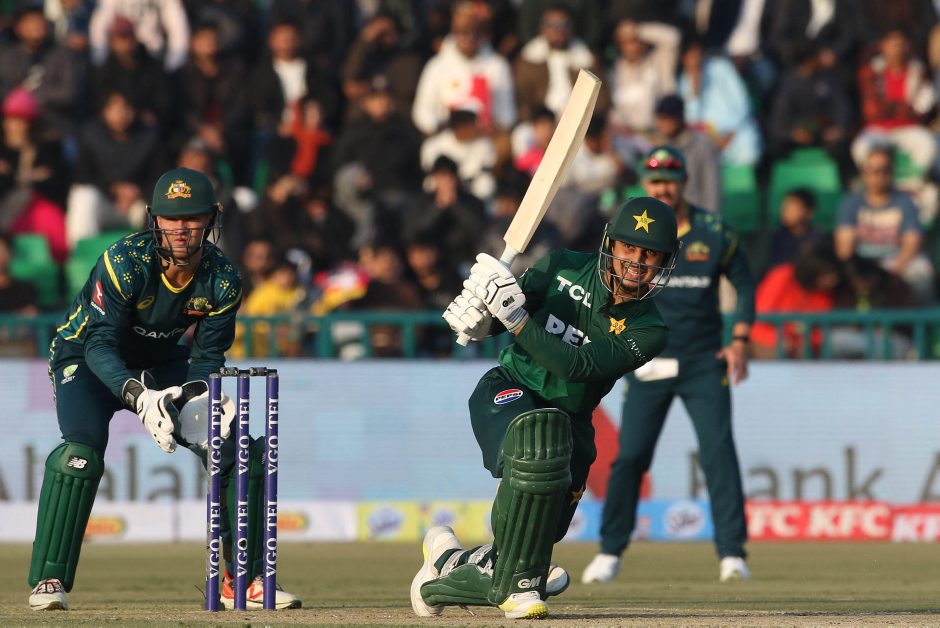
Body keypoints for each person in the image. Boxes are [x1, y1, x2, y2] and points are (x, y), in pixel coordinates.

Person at [27, 167, 301, 611]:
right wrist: (139, 396)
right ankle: (48, 580)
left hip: (161, 361)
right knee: (80, 455)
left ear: (211, 219)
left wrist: (199, 395)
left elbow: (207, 358)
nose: (181, 228)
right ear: (154, 219)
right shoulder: (124, 261)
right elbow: (99, 343)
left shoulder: (223, 279)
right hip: (86, 358)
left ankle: (243, 580)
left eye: (192, 218)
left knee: (234, 447)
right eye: (172, 218)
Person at [411, 195, 680, 619]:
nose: (636, 261)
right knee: (535, 446)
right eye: (629, 247)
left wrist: (513, 318)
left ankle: (445, 566)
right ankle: (516, 583)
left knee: (534, 540)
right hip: (510, 389)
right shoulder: (561, 265)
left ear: (665, 261)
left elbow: (577, 366)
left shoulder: (650, 329)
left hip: (572, 420)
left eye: (650, 254)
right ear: (610, 243)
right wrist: (479, 317)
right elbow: (501, 315)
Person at [582, 145, 756, 585]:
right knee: (630, 457)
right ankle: (609, 551)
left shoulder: (714, 232)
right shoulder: (632, 237)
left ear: (684, 183)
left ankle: (732, 554)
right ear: (645, 183)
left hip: (703, 361)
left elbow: (744, 283)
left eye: (670, 181)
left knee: (718, 454)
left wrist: (739, 340)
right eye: (655, 180)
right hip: (647, 359)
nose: (663, 188)